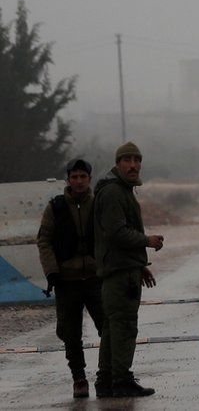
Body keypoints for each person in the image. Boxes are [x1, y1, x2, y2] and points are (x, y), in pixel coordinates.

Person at [93, 141, 164, 398]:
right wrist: (147, 241)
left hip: (123, 270)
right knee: (123, 327)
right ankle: (121, 380)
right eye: (128, 160)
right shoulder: (113, 192)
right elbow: (116, 233)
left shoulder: (122, 190)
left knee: (113, 329)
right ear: (118, 163)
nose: (134, 165)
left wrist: (140, 265)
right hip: (119, 274)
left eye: (137, 160)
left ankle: (106, 381)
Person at [36, 158, 110, 399]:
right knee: (70, 332)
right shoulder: (55, 207)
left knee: (107, 327)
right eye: (74, 177)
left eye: (83, 176)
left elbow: (111, 235)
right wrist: (52, 271)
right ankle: (79, 377)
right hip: (66, 280)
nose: (78, 181)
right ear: (68, 180)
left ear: (89, 179)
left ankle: (106, 374)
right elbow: (44, 240)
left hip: (96, 278)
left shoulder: (99, 204)